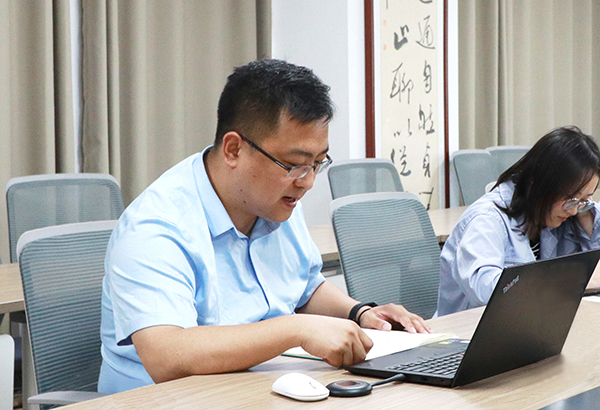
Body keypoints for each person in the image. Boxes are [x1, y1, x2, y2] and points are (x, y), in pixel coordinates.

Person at [98, 59, 431, 393]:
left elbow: (304, 287)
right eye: (295, 164)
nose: (307, 182)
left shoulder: (276, 199)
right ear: (233, 150)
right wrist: (297, 329)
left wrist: (359, 313)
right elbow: (167, 356)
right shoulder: (156, 226)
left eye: (317, 164)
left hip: (256, 387)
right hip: (165, 399)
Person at [436, 126, 600, 316]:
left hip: (534, 323)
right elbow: (486, 291)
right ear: (539, 184)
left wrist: (588, 220)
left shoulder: (567, 214)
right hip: (470, 329)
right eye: (571, 199)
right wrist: (571, 282)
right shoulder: (487, 219)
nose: (573, 210)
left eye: (583, 199)